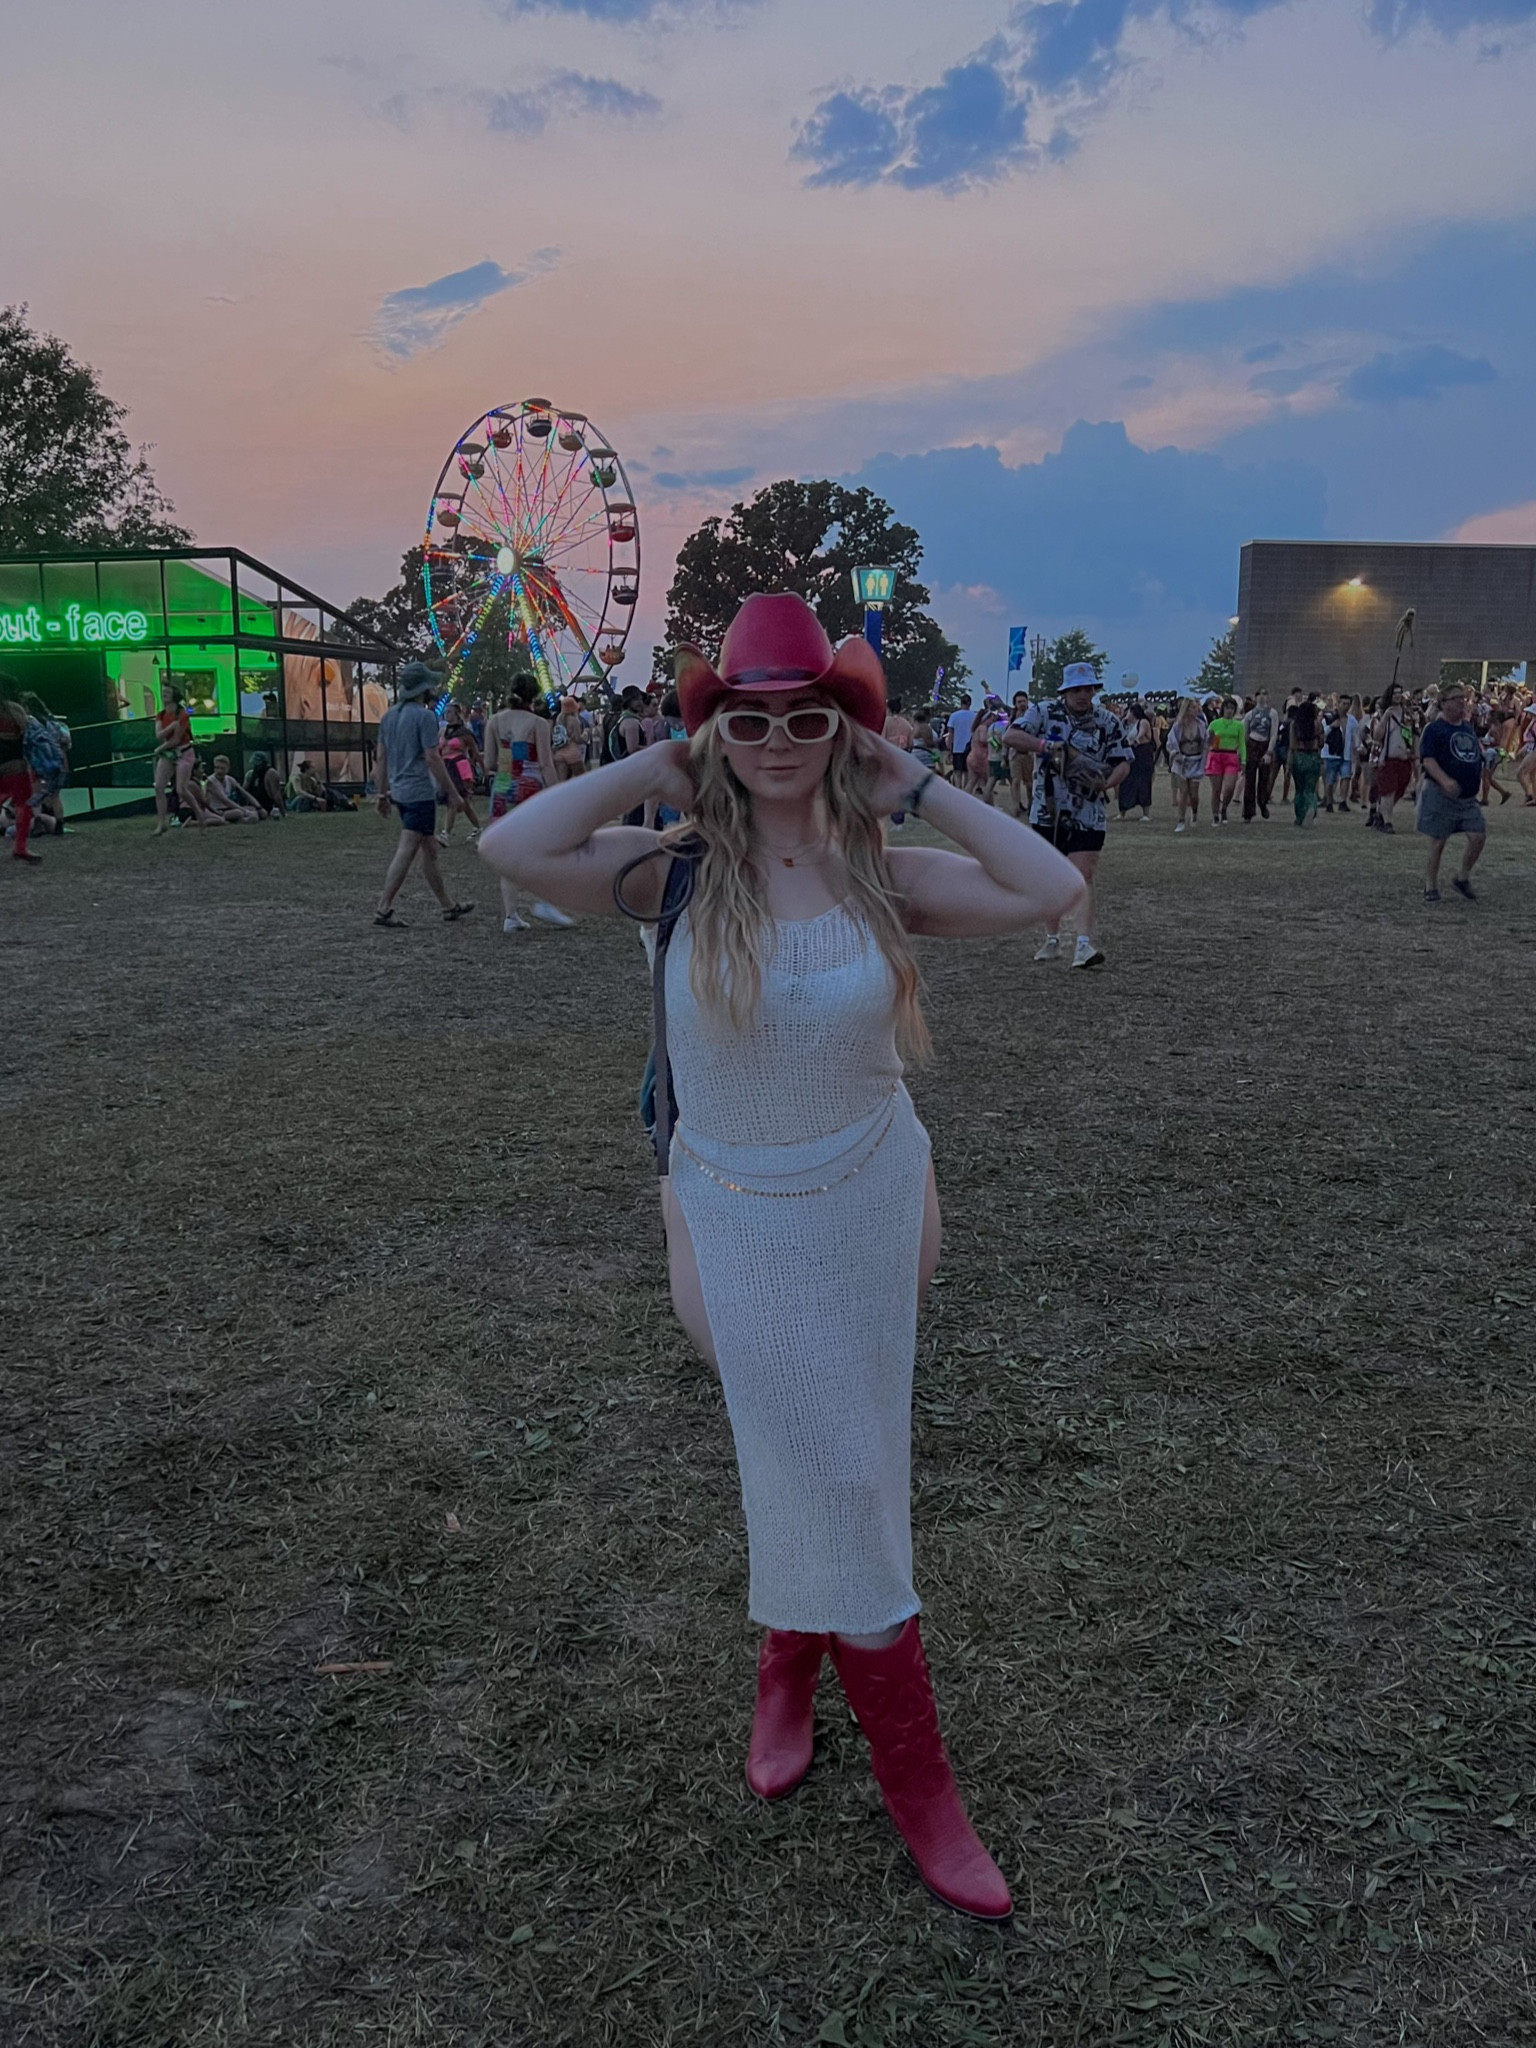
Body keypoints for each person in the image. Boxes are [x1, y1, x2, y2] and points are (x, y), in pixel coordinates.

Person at [477, 591, 1084, 1921]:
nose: (779, 738)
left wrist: (911, 776)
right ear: (720, 726)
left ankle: (786, 1665)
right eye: (750, 716)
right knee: (830, 1461)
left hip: (873, 1193)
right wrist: (669, 752)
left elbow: (1054, 887)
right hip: (735, 1209)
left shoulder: (883, 869)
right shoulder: (673, 867)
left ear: (843, 726)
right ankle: (926, 1795)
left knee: (838, 1450)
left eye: (807, 714)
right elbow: (510, 845)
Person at [1004, 661, 1130, 969]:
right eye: (1077, 689)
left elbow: (1124, 761)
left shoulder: (1108, 721)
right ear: (1065, 691)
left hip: (1089, 810)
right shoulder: (1044, 712)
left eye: (1088, 688)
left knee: (1083, 875)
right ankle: (1053, 938)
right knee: (1050, 876)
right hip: (1048, 809)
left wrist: (1106, 783)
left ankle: (1084, 945)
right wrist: (1045, 746)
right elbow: (1011, 737)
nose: (1083, 695)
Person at [372, 663, 473, 927]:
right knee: (407, 849)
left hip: (399, 791)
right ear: (424, 689)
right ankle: (383, 908)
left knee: (430, 850)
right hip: (419, 792)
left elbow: (381, 757)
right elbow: (432, 757)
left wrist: (381, 794)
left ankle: (447, 906)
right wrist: (452, 792)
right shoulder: (425, 717)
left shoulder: (389, 716)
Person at [484, 674, 574, 932]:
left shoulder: (494, 721)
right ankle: (545, 900)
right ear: (534, 696)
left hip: (502, 786)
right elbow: (546, 763)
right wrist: (559, 794)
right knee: (544, 846)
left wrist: (507, 761)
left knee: (507, 851)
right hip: (528, 783)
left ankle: (510, 915)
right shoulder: (538, 723)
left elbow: (489, 762)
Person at [1417, 682, 1487, 901]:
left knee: (1478, 836)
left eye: (1463, 699)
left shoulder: (1466, 728)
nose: (1462, 703)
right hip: (1441, 794)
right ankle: (1430, 885)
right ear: (1444, 704)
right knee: (1438, 841)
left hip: (1467, 798)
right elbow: (1428, 761)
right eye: (1456, 699)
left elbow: (1473, 753)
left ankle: (1462, 878)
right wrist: (1445, 780)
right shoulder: (1435, 729)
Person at [153, 683, 203, 834]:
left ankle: (199, 814)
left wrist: (160, 748)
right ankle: (161, 822)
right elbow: (159, 735)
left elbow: (176, 739)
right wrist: (172, 726)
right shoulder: (161, 715)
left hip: (183, 752)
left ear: (175, 696)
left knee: (181, 789)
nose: (164, 695)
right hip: (169, 753)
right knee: (159, 786)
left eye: (167, 692)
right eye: (163, 692)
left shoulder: (182, 715)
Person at [0, 681, 39, 864]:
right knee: (24, 803)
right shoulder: (13, 709)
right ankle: (20, 847)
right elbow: (28, 732)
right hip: (13, 762)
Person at [21, 693, 70, 836]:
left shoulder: (30, 723)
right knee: (55, 797)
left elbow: (26, 743)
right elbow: (66, 741)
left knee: (36, 796)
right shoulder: (54, 723)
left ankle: (38, 824)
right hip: (59, 763)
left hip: (40, 765)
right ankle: (59, 825)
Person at [437, 703, 484, 841]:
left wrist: (483, 769)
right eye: (446, 712)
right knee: (463, 802)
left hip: (460, 766)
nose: (447, 714)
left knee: (454, 799)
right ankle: (478, 827)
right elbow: (436, 750)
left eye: (450, 712)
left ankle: (446, 833)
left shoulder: (465, 733)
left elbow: (475, 752)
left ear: (457, 714)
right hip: (447, 766)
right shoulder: (442, 731)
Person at [1369, 683, 1411, 832]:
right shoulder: (1380, 714)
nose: (1398, 696)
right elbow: (1376, 736)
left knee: (1399, 789)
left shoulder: (1407, 713)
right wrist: (1386, 716)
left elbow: (1410, 733)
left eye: (1400, 693)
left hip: (1404, 758)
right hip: (1387, 758)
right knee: (1388, 790)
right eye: (1394, 694)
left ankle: (1380, 814)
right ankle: (1388, 822)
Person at [1165, 698, 1209, 833]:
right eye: (1193, 708)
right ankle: (1181, 820)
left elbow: (1206, 743)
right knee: (1183, 791)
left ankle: (1194, 813)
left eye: (1197, 707)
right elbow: (1170, 743)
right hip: (1182, 761)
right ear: (1187, 710)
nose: (1197, 710)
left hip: (1196, 761)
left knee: (1194, 794)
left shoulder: (1201, 725)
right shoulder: (1178, 726)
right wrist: (1175, 754)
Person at [1287, 691, 1324, 825]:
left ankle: (1300, 816)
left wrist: (1289, 764)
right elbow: (1321, 743)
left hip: (1299, 756)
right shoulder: (1318, 725)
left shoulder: (1295, 725)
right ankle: (1311, 808)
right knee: (1310, 789)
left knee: (1299, 789)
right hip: (1313, 756)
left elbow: (1292, 746)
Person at [1206, 696, 1244, 826]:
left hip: (1231, 755)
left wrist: (1243, 760)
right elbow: (1208, 741)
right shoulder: (1215, 723)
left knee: (1229, 787)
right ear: (1223, 709)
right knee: (1216, 789)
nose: (1229, 710)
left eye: (1232, 708)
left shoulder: (1239, 725)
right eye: (1227, 707)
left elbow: (1242, 744)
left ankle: (1224, 807)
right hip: (1216, 755)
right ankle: (1215, 815)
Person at [1241, 691, 1278, 821]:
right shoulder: (1249, 715)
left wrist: (1269, 751)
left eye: (1264, 694)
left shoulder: (1272, 713)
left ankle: (1262, 803)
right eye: (1259, 694)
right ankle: (1248, 812)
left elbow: (1273, 733)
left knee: (1264, 779)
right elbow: (1245, 734)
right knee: (1249, 781)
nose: (1262, 696)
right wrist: (1245, 751)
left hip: (1265, 745)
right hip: (1252, 745)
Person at [1116, 700, 1155, 820]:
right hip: (1131, 754)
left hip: (1142, 754)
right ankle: (1122, 811)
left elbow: (1141, 735)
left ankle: (1145, 813)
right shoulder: (1127, 724)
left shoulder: (1143, 722)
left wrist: (1134, 741)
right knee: (1126, 782)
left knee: (1143, 782)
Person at [204, 756, 262, 822]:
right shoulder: (210, 781)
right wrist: (246, 812)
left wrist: (259, 807)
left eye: (222, 768)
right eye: (217, 768)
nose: (219, 771)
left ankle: (242, 819)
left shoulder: (230, 779)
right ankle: (242, 819)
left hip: (228, 808)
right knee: (238, 812)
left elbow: (245, 793)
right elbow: (225, 800)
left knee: (252, 808)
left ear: (228, 769)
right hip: (216, 810)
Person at [944, 694, 976, 781]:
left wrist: (949, 749)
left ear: (961, 703)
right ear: (970, 703)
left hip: (957, 747)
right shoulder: (974, 716)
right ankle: (965, 790)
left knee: (957, 771)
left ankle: (958, 788)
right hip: (970, 747)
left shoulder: (954, 716)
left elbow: (950, 733)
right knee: (967, 772)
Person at [244, 752, 285, 819]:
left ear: (264, 763)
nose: (256, 766)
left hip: (265, 806)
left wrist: (283, 812)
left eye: (258, 764)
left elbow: (276, 795)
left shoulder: (271, 773)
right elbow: (244, 792)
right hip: (251, 806)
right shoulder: (250, 774)